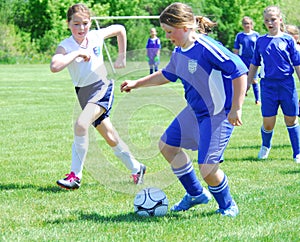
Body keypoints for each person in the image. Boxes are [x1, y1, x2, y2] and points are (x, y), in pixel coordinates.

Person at [121, 2, 248, 217]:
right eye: (165, 32)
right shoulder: (179, 51)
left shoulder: (207, 47)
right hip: (195, 111)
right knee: (167, 146)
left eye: (170, 32)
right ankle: (196, 194)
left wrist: (237, 108)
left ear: (186, 26)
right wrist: (137, 83)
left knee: (208, 168)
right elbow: (167, 74)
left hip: (217, 114)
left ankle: (228, 205)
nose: (168, 36)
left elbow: (239, 70)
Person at [50, 3, 146, 189]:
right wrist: (77, 53)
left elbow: (120, 29)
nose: (81, 28)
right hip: (83, 93)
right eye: (76, 24)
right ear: (68, 24)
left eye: (85, 23)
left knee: (80, 124)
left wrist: (122, 57)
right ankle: (137, 168)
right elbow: (55, 66)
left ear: (90, 23)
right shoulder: (66, 46)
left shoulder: (95, 36)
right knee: (110, 136)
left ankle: (75, 176)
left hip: (102, 87)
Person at [247, 6, 300, 163]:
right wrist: (248, 82)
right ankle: (265, 146)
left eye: (273, 19)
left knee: (291, 119)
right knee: (268, 123)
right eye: (267, 20)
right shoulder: (261, 41)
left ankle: (297, 153)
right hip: (268, 86)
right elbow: (254, 63)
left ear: (280, 20)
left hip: (286, 84)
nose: (270, 23)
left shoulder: (288, 40)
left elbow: (297, 63)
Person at [233, 16, 261, 105]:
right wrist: (235, 60)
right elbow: (236, 49)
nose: (247, 25)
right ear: (242, 25)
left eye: (248, 23)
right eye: (245, 23)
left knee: (254, 80)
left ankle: (258, 99)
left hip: (253, 60)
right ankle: (241, 95)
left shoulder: (256, 35)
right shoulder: (240, 36)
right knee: (242, 79)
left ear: (251, 24)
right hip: (243, 60)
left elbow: (259, 48)